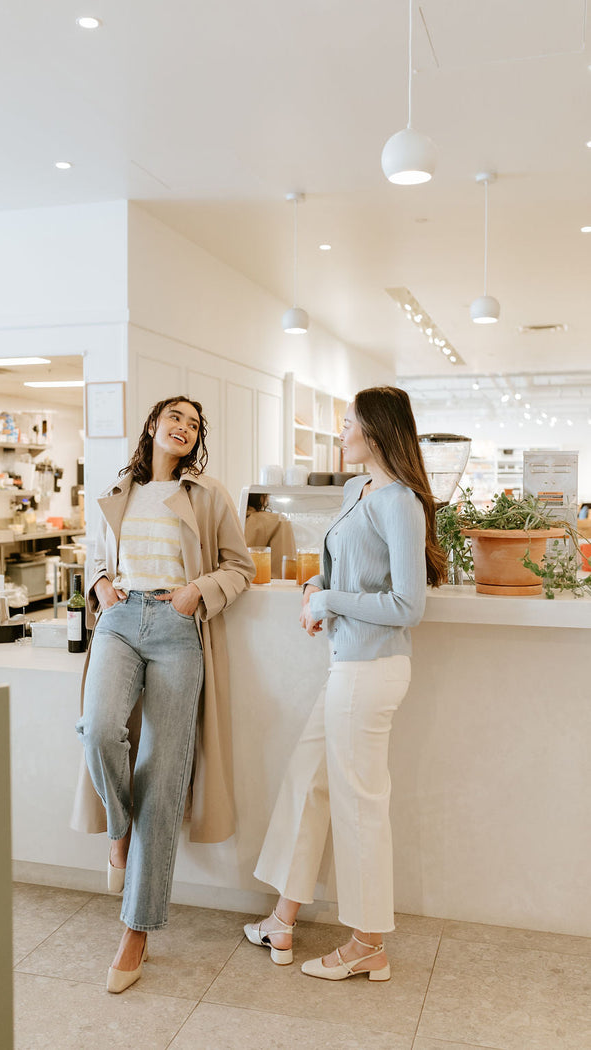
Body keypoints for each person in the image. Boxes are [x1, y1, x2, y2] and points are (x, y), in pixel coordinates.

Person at [244, 386, 447, 981]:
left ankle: (368, 943)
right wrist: (315, 593)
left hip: (372, 672)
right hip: (345, 666)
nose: (341, 434)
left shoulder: (400, 502)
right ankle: (283, 918)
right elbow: (336, 567)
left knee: (360, 805)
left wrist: (330, 598)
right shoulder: (356, 490)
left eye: (349, 424)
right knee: (308, 781)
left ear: (377, 432)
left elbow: (408, 605)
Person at [71, 396, 255, 994]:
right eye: (175, 417)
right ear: (153, 425)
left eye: (195, 424)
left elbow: (240, 566)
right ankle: (120, 830)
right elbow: (96, 555)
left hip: (178, 627)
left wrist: (196, 592)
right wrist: (100, 584)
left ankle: (137, 930)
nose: (184, 428)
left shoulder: (209, 495)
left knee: (164, 771)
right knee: (99, 729)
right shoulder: (118, 490)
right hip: (121, 621)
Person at [244, 493, 296, 578]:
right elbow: (283, 569)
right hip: (265, 586)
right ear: (263, 497)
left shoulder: (232, 520)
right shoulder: (277, 520)